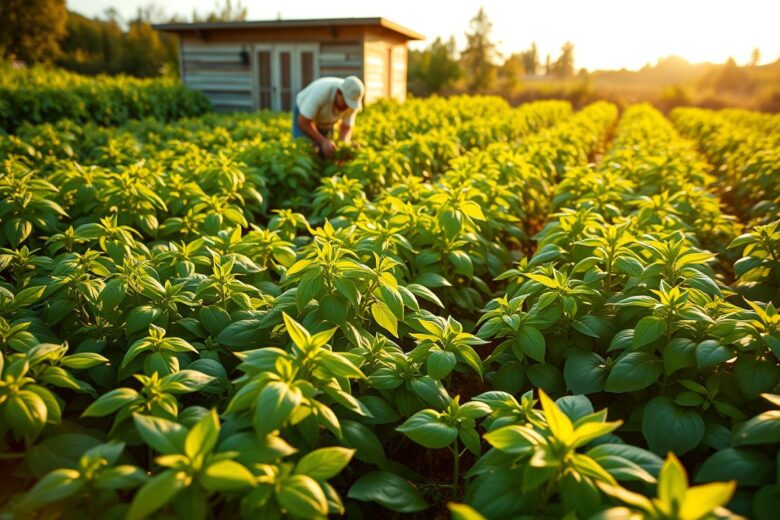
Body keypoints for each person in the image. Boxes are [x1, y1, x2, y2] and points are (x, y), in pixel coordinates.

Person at [292, 76, 365, 158]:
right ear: (339, 92)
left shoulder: (352, 99)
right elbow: (303, 122)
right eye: (345, 103)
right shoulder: (320, 92)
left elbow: (346, 127)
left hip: (326, 118)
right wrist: (322, 141)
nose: (347, 108)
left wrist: (343, 147)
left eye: (350, 104)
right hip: (304, 113)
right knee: (303, 149)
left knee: (327, 152)